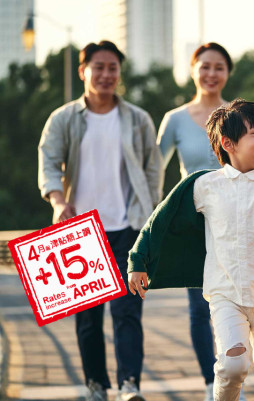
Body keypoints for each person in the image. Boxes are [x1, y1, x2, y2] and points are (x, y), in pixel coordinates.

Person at [127, 99, 254, 401]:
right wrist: (138, 260)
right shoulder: (204, 185)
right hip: (226, 295)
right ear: (228, 143)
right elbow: (160, 221)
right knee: (232, 366)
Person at [38, 40, 163, 401]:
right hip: (79, 231)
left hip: (128, 228)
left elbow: (153, 167)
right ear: (83, 71)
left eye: (113, 68)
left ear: (119, 74)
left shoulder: (137, 119)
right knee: (88, 319)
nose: (107, 74)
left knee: (128, 312)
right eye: (99, 67)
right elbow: (48, 161)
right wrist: (58, 200)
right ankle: (96, 385)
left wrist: (150, 213)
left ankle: (129, 385)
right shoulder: (63, 119)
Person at [156, 42, 240, 401]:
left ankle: (234, 372)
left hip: (237, 220)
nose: (211, 73)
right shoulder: (174, 119)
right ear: (193, 70)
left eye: (219, 67)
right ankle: (212, 383)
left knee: (239, 302)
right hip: (193, 224)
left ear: (227, 73)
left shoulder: (240, 115)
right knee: (198, 308)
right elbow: (152, 171)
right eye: (204, 66)